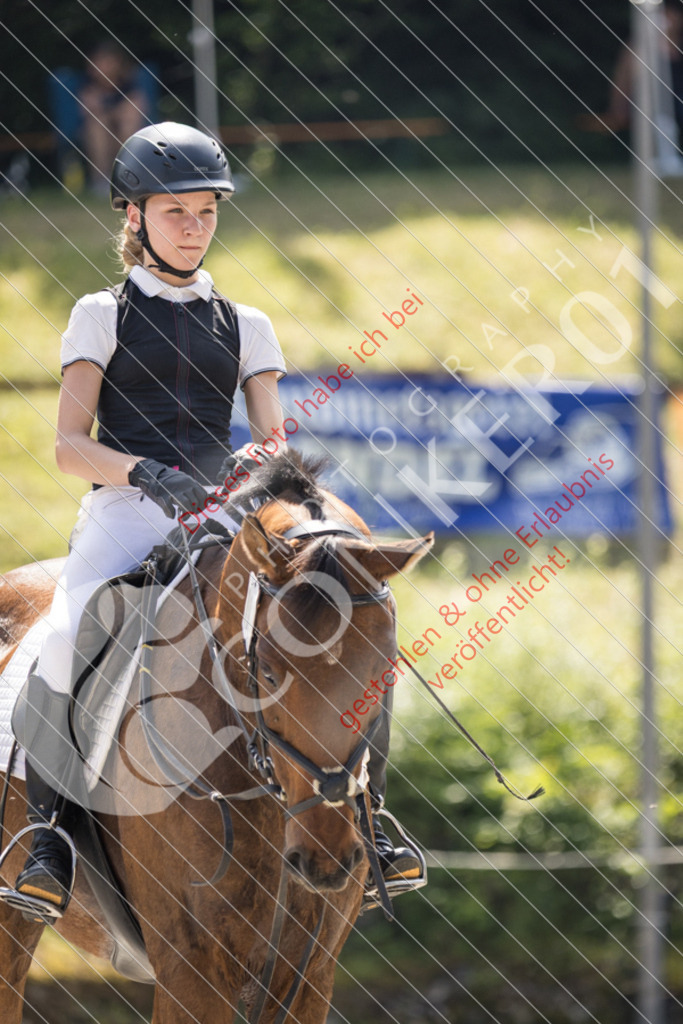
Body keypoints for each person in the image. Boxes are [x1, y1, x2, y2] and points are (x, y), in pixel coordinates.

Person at [8, 122, 423, 921]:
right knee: (62, 640)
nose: (194, 226)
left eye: (205, 211)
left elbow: (272, 442)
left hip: (226, 514)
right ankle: (48, 839)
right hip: (126, 513)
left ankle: (372, 824)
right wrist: (143, 472)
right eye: (176, 212)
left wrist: (248, 472)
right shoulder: (101, 313)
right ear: (134, 218)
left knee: (338, 634)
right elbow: (66, 446)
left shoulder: (248, 322)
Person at [78, 41, 149, 195]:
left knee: (128, 125)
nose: (104, 66)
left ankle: (128, 177)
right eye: (99, 61)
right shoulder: (87, 84)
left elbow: (137, 107)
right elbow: (88, 108)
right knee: (98, 126)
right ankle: (101, 180)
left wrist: (113, 113)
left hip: (123, 128)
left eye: (108, 61)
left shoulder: (129, 83)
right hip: (99, 130)